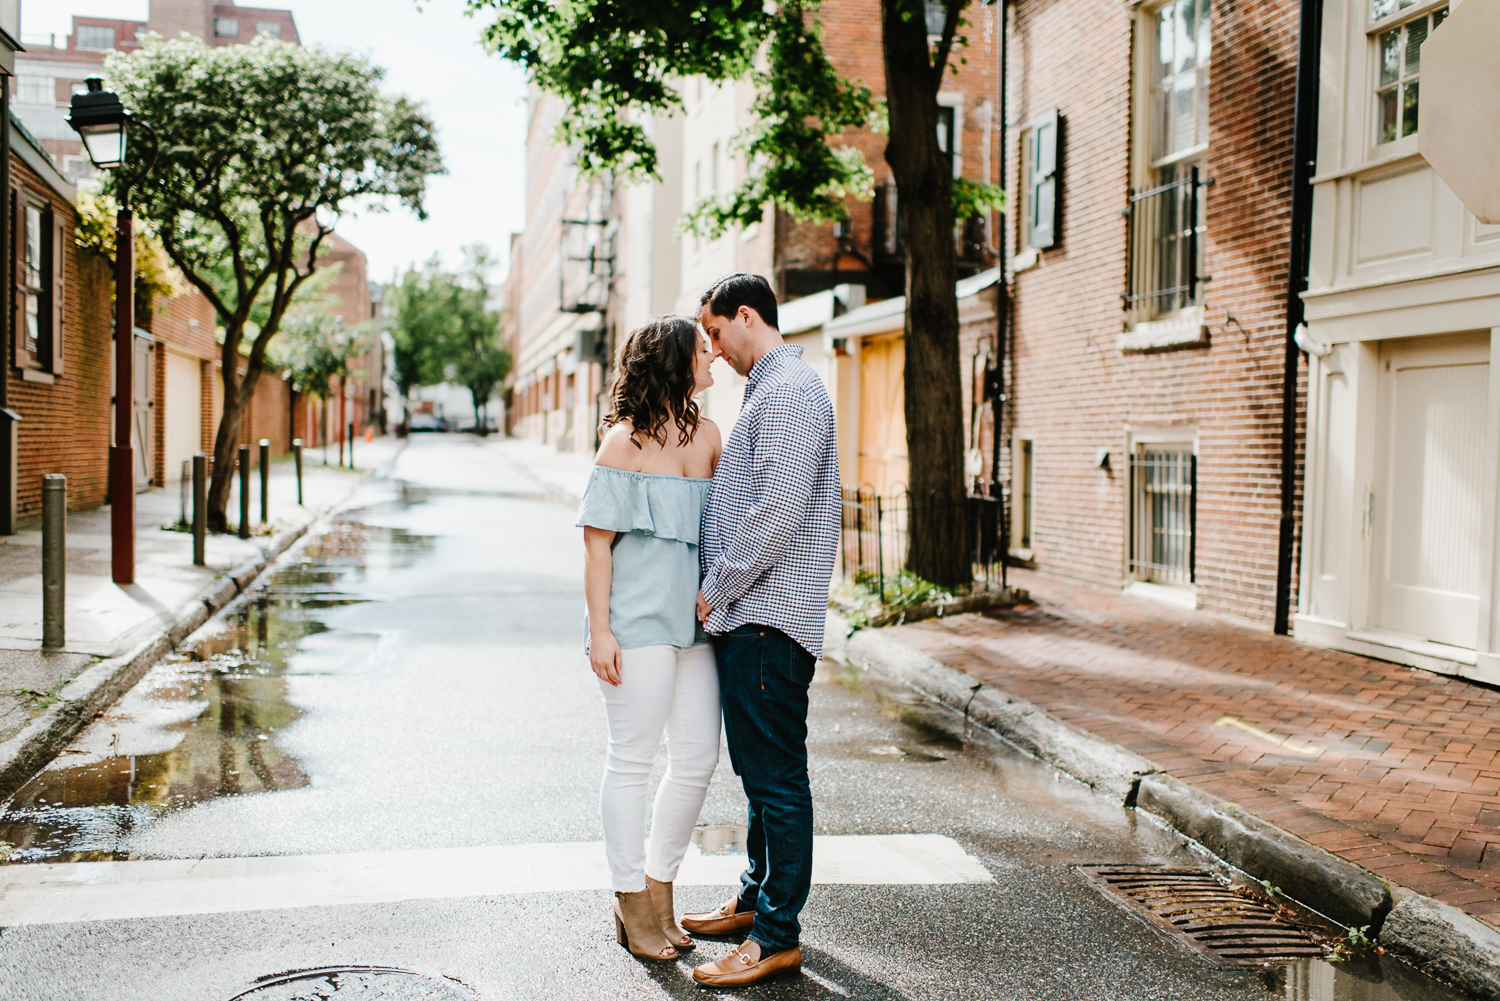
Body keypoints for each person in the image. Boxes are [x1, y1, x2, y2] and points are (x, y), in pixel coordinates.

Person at [683, 274, 841, 988]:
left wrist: (713, 590)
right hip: (757, 617)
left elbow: (775, 514)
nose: (713, 349)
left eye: (716, 332)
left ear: (746, 316)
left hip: (767, 619)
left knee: (777, 780)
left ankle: (777, 935)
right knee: (759, 776)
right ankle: (755, 902)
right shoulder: (774, 390)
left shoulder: (789, 393)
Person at [576, 315, 723, 963]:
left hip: (694, 623)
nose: (712, 357)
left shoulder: (711, 436)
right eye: (702, 350)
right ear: (673, 362)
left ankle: (660, 884)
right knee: (631, 759)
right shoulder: (622, 444)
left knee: (696, 756)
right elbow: (597, 547)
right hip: (634, 624)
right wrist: (600, 631)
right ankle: (629, 896)